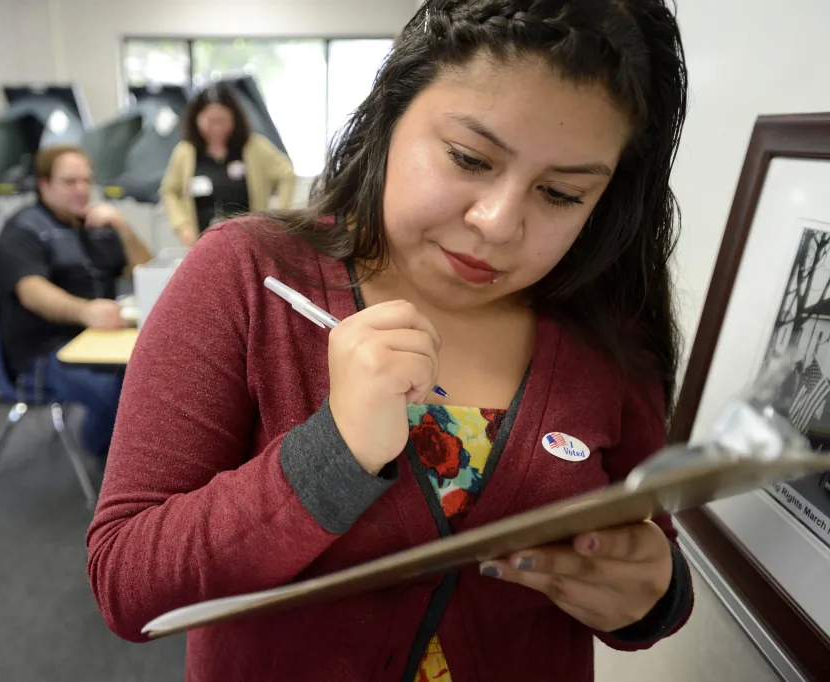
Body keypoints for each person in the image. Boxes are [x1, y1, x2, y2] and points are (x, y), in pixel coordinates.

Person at [87, 0, 694, 680]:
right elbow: (126, 582)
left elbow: (644, 546)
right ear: (390, 113)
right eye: (468, 158)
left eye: (559, 194)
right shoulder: (251, 276)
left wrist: (654, 596)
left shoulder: (607, 333)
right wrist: (334, 453)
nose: (497, 223)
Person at [0, 144, 152, 459]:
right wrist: (85, 312)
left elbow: (144, 269)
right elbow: (31, 289)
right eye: (69, 182)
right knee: (121, 394)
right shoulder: (23, 230)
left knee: (159, 373)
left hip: (100, 341)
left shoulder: (96, 225)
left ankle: (133, 451)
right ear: (44, 184)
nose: (81, 190)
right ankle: (104, 452)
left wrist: (123, 226)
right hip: (46, 353)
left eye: (85, 181)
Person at [159, 82, 296, 247]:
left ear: (234, 118)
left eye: (222, 120)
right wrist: (182, 226)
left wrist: (276, 219)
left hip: (247, 242)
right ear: (196, 119)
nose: (217, 128)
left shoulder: (254, 147)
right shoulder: (185, 152)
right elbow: (169, 190)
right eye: (210, 121)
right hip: (202, 243)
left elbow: (287, 174)